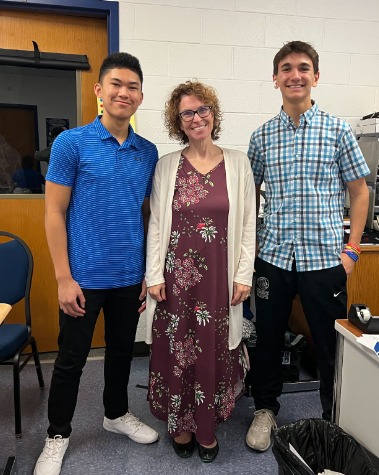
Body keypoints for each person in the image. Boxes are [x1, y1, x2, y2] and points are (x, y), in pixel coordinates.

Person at [34, 52, 159, 475]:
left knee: (123, 353)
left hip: (128, 277)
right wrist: (63, 277)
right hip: (83, 277)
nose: (124, 92)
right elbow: (54, 212)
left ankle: (116, 414)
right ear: (99, 91)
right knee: (71, 360)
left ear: (141, 96)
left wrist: (146, 271)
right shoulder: (72, 142)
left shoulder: (148, 151)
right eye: (117, 84)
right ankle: (57, 435)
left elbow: (145, 215)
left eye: (133, 86)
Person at [246, 41, 370, 452]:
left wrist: (351, 251)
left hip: (324, 260)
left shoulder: (337, 131)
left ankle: (335, 418)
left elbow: (359, 192)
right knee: (267, 339)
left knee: (331, 344)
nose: (294, 75)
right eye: (286, 68)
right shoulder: (262, 136)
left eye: (303, 68)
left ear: (315, 77)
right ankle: (265, 409)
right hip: (274, 258)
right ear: (276, 78)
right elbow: (250, 196)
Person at [145, 80, 256, 463]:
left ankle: (206, 428)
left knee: (211, 350)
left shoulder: (239, 163)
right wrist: (153, 276)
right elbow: (157, 224)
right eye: (187, 113)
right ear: (179, 122)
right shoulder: (166, 166)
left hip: (218, 281)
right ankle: (182, 425)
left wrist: (244, 273)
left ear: (213, 113)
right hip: (176, 278)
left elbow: (247, 226)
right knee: (178, 350)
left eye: (202, 110)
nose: (196, 118)